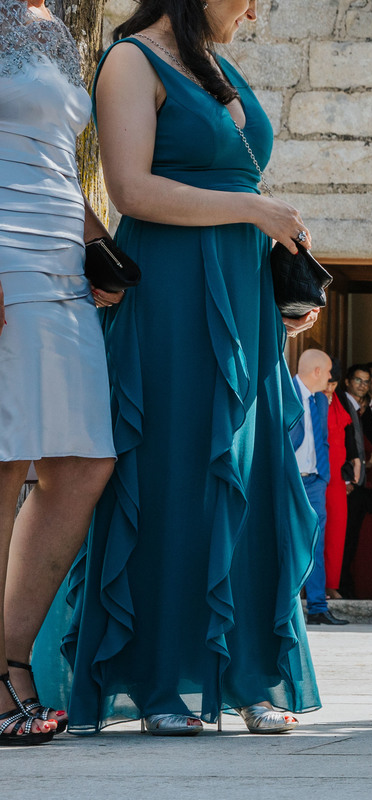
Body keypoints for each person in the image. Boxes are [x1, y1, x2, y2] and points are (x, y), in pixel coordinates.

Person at [51, 0, 323, 735]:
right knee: (173, 475)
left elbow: (237, 181)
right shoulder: (130, 61)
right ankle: (160, 684)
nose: (255, 10)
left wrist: (275, 272)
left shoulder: (215, 66)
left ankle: (248, 677)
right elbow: (132, 190)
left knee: (246, 476)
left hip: (241, 301)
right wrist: (254, 211)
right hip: (170, 297)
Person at [0, 0, 124, 745]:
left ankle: (13, 657)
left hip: (59, 254)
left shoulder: (56, 26)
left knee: (81, 462)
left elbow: (54, 154)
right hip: (3, 249)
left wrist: (97, 239)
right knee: (5, 455)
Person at [291, 350, 346, 626]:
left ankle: (317, 607)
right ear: (316, 372)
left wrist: (323, 477)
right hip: (289, 480)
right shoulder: (283, 391)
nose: (329, 378)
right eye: (327, 373)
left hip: (314, 481)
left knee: (316, 542)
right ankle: (284, 609)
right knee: (286, 541)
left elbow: (322, 441)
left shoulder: (322, 402)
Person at [336, 364, 372, 596]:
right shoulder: (340, 403)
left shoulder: (360, 408)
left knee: (351, 539)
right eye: (358, 380)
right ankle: (337, 585)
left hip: (359, 484)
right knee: (343, 537)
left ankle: (343, 584)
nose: (363, 385)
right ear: (348, 382)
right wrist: (346, 477)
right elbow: (340, 442)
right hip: (347, 483)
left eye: (366, 381)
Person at [322, 365, 358, 602]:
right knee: (313, 528)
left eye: (334, 384)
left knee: (336, 529)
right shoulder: (308, 398)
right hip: (314, 473)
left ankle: (331, 584)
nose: (330, 388)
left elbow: (350, 435)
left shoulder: (340, 400)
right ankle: (307, 585)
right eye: (328, 383)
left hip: (336, 477)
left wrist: (355, 466)